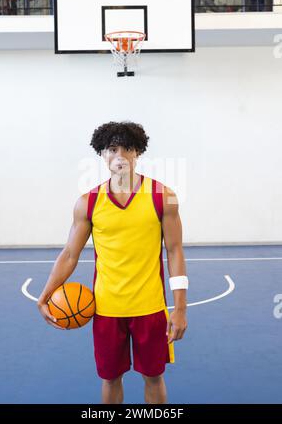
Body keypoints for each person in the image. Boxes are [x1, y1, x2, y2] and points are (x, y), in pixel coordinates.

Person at [38, 121, 188, 404]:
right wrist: (45, 295)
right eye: (112, 149)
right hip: (106, 308)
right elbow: (70, 253)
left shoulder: (163, 197)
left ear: (138, 153)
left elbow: (175, 251)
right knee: (110, 378)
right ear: (102, 154)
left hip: (150, 307)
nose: (120, 155)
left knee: (154, 377)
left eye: (127, 148)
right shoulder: (88, 202)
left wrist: (179, 308)